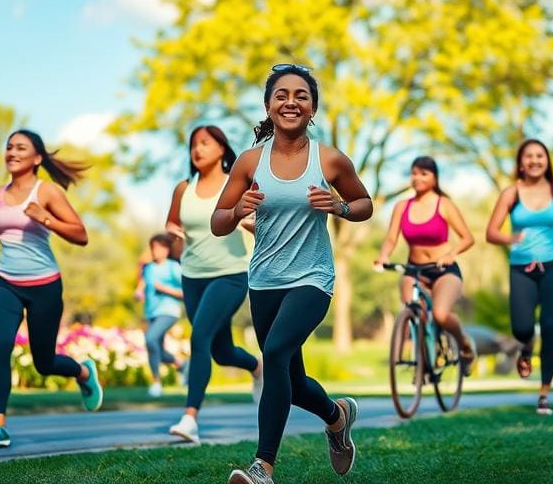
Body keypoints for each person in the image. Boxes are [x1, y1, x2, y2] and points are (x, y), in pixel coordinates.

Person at [211, 65, 373, 484]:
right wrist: (237, 209)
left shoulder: (329, 159)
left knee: (275, 353)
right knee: (293, 381)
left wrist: (339, 207)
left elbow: (365, 204)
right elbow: (218, 222)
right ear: (268, 105)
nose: (291, 102)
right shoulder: (250, 161)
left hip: (312, 279)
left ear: (312, 108)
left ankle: (262, 467)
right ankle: (337, 417)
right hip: (264, 281)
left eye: (301, 95)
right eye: (281, 95)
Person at [0, 129, 103, 448]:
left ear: (37, 158)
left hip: (44, 286)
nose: (12, 152)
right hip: (7, 284)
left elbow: (81, 235)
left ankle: (83, 373)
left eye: (21, 148)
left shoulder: (48, 192)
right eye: (9, 147)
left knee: (44, 363)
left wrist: (45, 218)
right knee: (1, 346)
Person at [164, 125, 262, 444]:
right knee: (221, 352)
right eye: (194, 144)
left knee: (200, 337)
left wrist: (251, 224)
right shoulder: (183, 188)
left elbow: (262, 222)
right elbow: (172, 223)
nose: (198, 149)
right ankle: (256, 366)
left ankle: (190, 418)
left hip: (230, 275)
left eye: (205, 143)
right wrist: (172, 235)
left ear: (221, 148)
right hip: (192, 276)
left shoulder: (237, 184)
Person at [485, 139, 553, 416]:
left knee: (549, 325)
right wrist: (511, 238)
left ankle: (544, 394)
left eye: (540, 156)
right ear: (521, 163)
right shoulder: (511, 193)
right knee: (522, 328)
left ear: (547, 160)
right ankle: (526, 349)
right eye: (529, 156)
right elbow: (491, 232)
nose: (535, 161)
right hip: (521, 268)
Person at [374, 156, 476, 373]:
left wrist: (451, 254)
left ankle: (465, 345)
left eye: (424, 173)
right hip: (414, 270)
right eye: (414, 173)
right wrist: (383, 256)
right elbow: (391, 238)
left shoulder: (444, 204)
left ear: (434, 177)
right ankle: (423, 360)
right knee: (412, 311)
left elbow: (468, 238)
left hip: (443, 271)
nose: (417, 178)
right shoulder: (402, 206)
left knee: (440, 314)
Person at [136, 233, 187, 398]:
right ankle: (181, 365)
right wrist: (138, 291)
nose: (155, 251)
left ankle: (156, 383)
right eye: (153, 248)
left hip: (169, 311)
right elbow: (143, 283)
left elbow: (186, 292)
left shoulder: (173, 267)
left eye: (158, 248)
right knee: (157, 349)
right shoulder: (149, 268)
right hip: (151, 312)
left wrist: (165, 289)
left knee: (150, 339)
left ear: (167, 250)